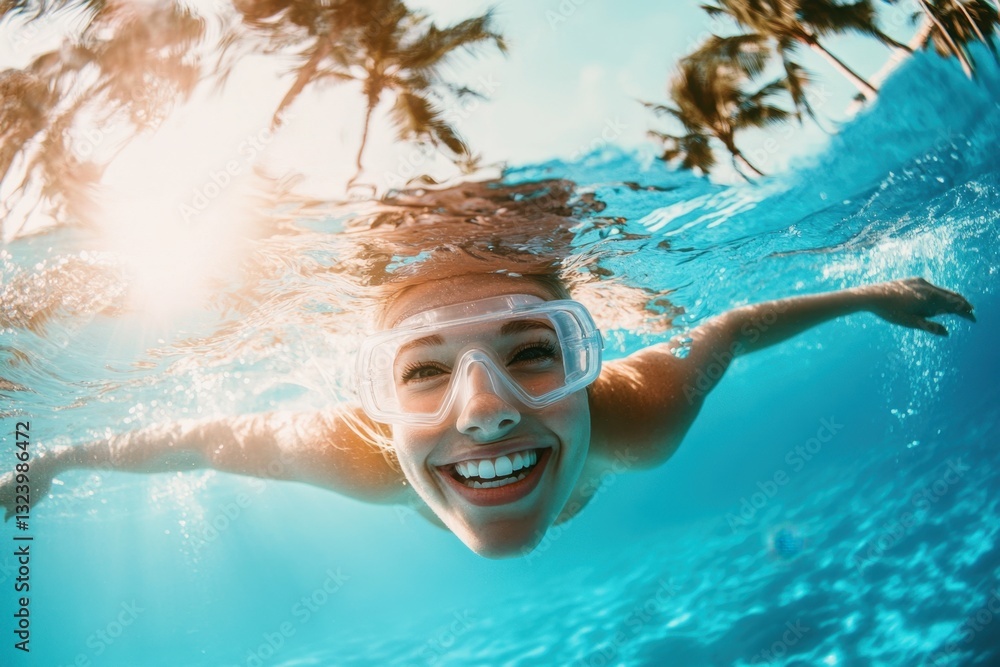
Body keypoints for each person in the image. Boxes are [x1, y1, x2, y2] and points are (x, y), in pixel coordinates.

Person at [0, 180, 977, 559]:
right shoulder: (358, 455)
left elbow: (727, 324)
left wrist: (868, 295)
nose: (489, 414)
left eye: (530, 354)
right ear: (373, 407)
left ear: (585, 356)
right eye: (419, 372)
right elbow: (201, 438)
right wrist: (62, 455)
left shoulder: (643, 414)